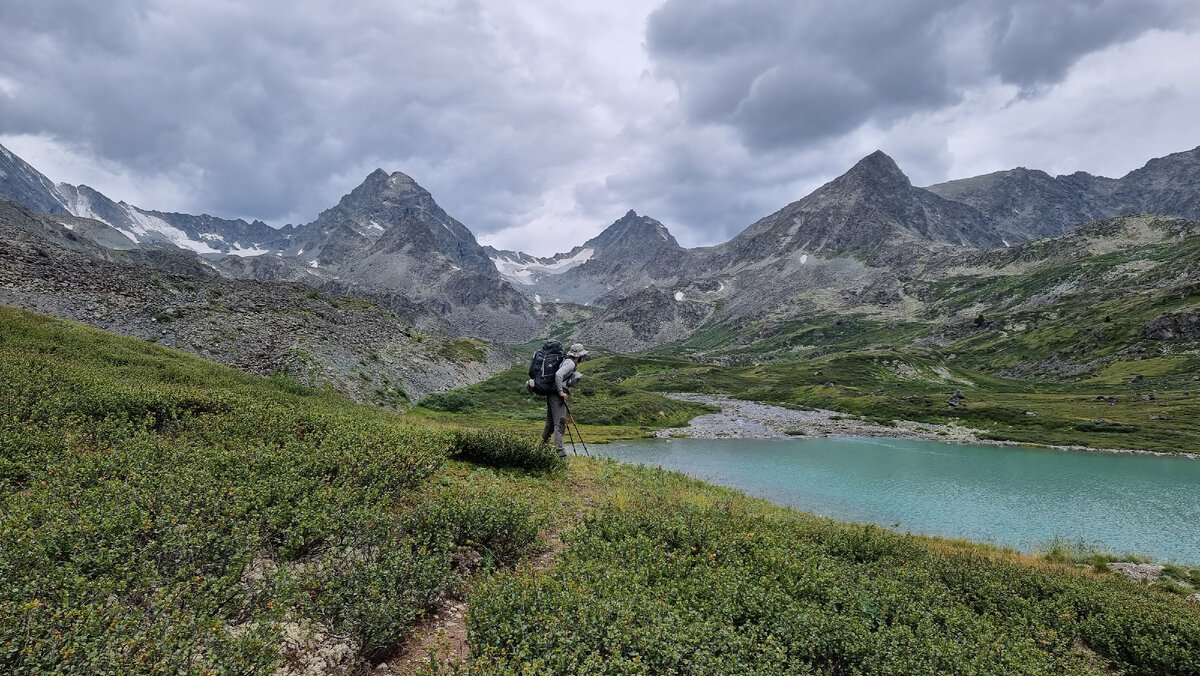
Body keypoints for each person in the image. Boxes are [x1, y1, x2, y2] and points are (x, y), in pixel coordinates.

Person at [542, 343, 588, 458]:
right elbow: (558, 375)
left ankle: (542, 448)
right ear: (578, 356)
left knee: (551, 424)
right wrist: (561, 392)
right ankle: (561, 453)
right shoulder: (570, 363)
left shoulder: (565, 360)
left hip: (551, 394)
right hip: (557, 396)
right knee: (560, 423)